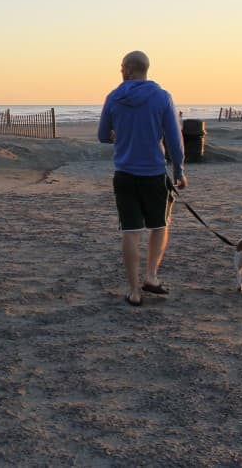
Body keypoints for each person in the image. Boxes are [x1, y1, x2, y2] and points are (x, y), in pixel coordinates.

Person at [98, 51, 187, 306]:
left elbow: (103, 135)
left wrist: (120, 135)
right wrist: (179, 170)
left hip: (125, 174)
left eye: (121, 68)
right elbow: (174, 139)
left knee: (131, 231)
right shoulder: (162, 97)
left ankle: (134, 290)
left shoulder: (114, 98)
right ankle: (151, 275)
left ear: (127, 69)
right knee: (159, 225)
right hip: (154, 173)